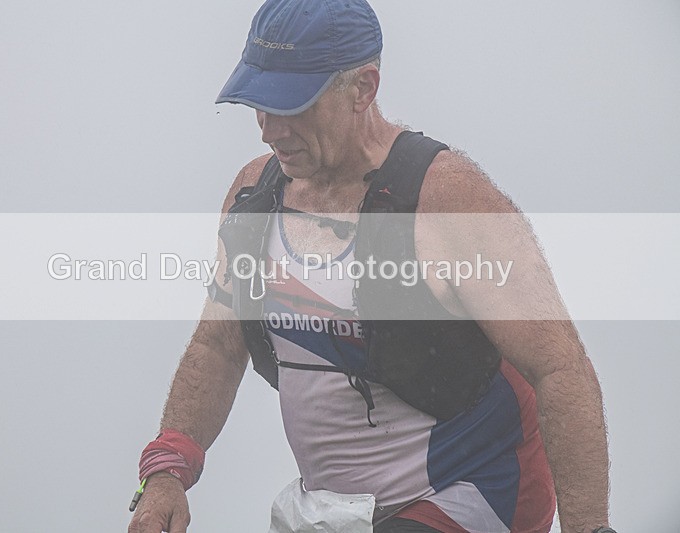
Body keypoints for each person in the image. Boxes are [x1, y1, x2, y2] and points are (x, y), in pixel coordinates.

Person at [128, 1, 614, 532]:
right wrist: (167, 468)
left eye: (292, 105)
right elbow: (217, 346)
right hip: (339, 507)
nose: (268, 130)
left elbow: (561, 366)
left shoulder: (446, 199)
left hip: (472, 486)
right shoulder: (255, 196)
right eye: (258, 103)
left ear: (363, 87)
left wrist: (589, 528)